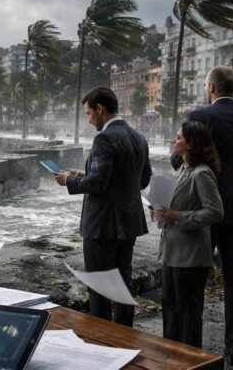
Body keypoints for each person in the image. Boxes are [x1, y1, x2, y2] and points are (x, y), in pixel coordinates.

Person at [171, 66, 233, 366]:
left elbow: (179, 160)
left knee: (195, 277)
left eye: (205, 86)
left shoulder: (199, 116)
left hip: (204, 207)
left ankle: (194, 348)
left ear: (212, 88)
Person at [54, 87, 151, 327]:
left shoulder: (104, 138)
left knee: (99, 288)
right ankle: (124, 335)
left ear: (100, 109)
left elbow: (98, 183)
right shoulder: (138, 137)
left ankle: (102, 340)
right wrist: (87, 173)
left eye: (88, 114)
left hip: (102, 226)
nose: (88, 120)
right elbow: (143, 179)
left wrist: (69, 180)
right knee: (122, 283)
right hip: (128, 222)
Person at [153, 121, 224, 348]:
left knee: (188, 313)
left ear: (191, 143)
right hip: (173, 252)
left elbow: (215, 212)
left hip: (191, 256)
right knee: (171, 308)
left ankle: (190, 359)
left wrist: (178, 216)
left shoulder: (202, 173)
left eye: (179, 137)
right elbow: (179, 202)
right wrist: (159, 209)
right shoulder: (184, 168)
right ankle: (171, 355)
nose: (175, 140)